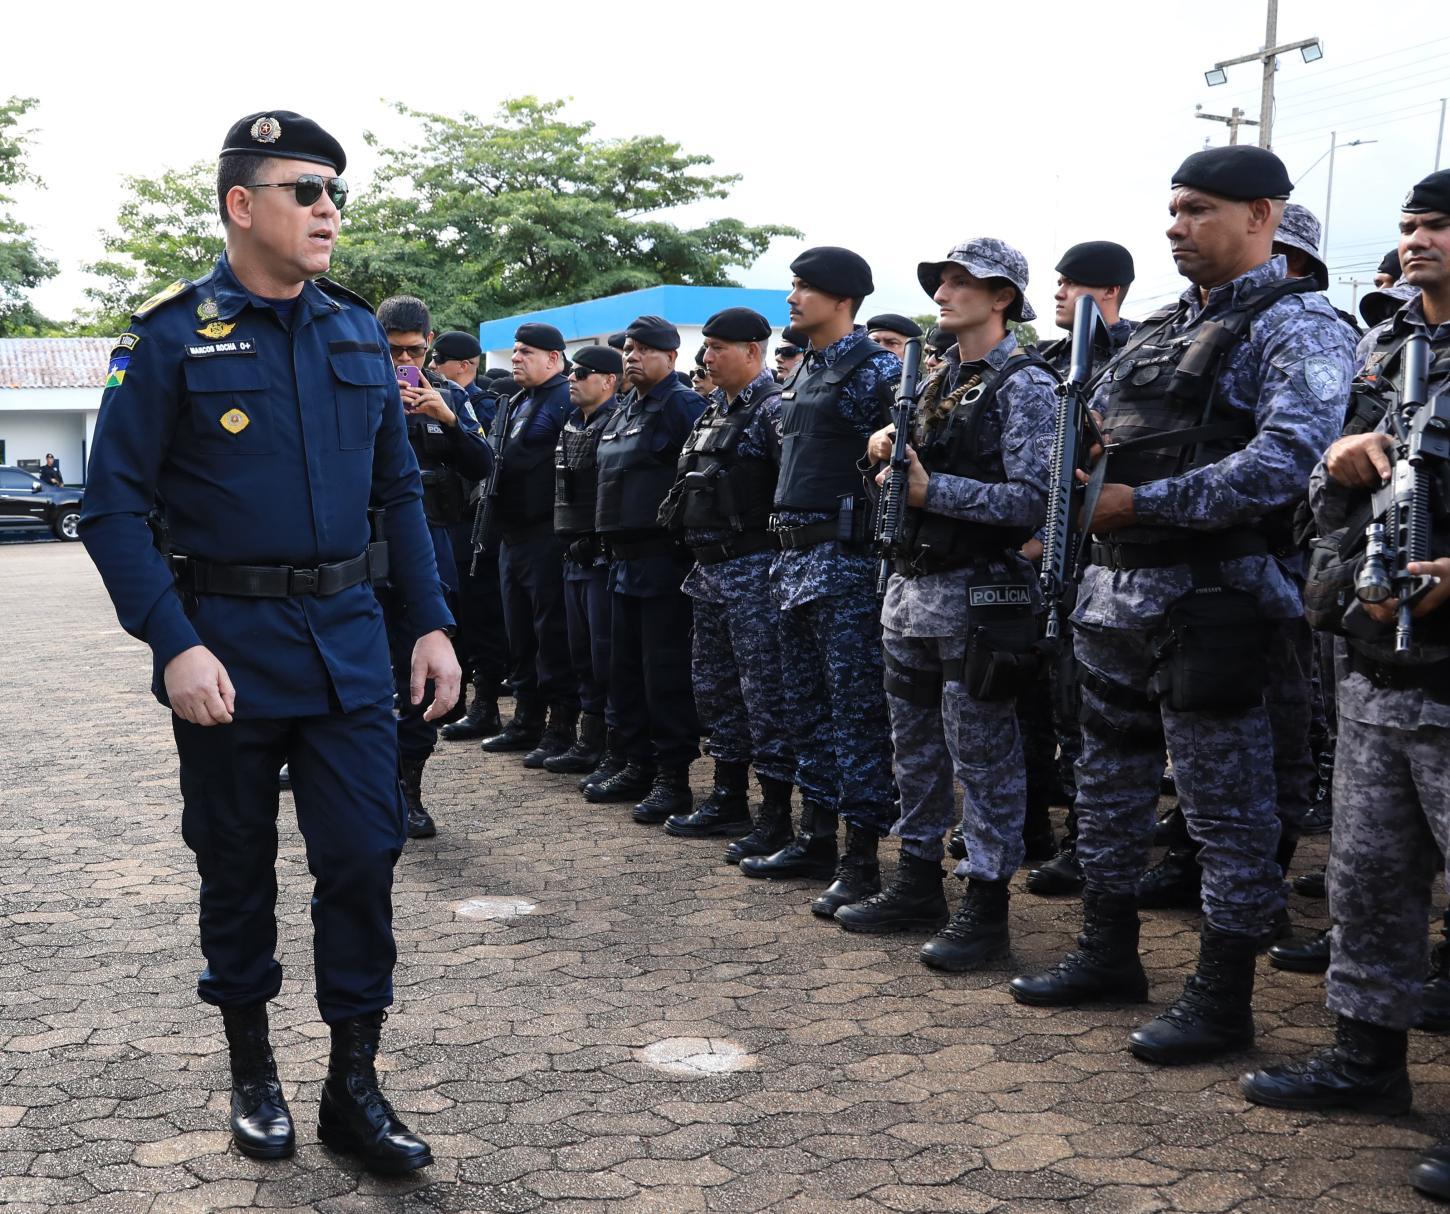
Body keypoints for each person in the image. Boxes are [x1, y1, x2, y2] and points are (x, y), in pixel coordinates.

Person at [80, 110, 450, 1174]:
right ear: (243, 205)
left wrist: (428, 621)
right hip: (226, 654)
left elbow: (399, 491)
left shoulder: (350, 332)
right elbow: (112, 510)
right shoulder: (167, 336)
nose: (328, 208)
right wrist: (171, 643)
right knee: (236, 863)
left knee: (363, 859)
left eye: (335, 190)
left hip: (345, 648)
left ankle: (354, 1085)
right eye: (306, 189)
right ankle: (253, 1070)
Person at [1009, 145, 1354, 1065]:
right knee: (1109, 791)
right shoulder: (1158, 329)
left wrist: (1143, 503)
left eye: (1199, 209)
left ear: (1263, 216)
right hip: (1114, 598)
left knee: (1226, 812)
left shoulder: (1299, 324)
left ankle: (1221, 998)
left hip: (1217, 603)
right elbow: (1104, 438)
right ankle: (1107, 952)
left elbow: (1292, 459)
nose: (1175, 227)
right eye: (1172, 210)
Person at [1240, 171, 1450, 1207]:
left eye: (1439, 225)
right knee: (1366, 878)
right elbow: (1320, 483)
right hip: (1373, 657)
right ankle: (1365, 1060)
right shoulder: (1383, 346)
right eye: (1410, 224)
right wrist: (1340, 455)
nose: (1418, 240)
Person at [840, 239, 1057, 973]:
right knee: (916, 752)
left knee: (985, 757)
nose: (946, 290)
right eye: (943, 279)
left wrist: (938, 492)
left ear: (1003, 299)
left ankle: (986, 906)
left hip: (976, 593)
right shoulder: (934, 380)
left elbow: (1035, 500)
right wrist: (884, 453)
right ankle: (916, 882)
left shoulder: (1023, 384)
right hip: (909, 589)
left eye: (965, 282)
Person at [740, 247, 901, 918]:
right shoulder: (809, 368)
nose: (792, 297)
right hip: (793, 560)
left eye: (804, 287)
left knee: (854, 716)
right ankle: (816, 839)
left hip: (845, 563)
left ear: (842, 299)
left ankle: (862, 861)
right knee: (806, 711)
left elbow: (897, 460)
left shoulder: (878, 370)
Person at [657, 307, 795, 852]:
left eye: (717, 347)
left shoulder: (773, 409)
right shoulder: (715, 409)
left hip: (755, 570)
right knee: (716, 693)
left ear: (753, 351)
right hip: (710, 572)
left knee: (763, 696)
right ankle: (728, 796)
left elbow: (793, 492)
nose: (706, 356)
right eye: (706, 346)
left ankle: (777, 812)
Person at [376, 297, 493, 839]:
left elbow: (484, 464)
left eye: (414, 349)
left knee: (420, 677)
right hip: (369, 556)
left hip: (434, 549)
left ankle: (409, 789)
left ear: (430, 342)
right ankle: (368, 784)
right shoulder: (354, 392)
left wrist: (445, 419)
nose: (404, 359)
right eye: (393, 349)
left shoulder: (447, 398)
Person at [584, 315, 707, 820]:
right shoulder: (625, 408)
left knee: (664, 676)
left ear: (672, 356)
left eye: (642, 349)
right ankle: (635, 763)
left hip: (663, 561)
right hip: (622, 562)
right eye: (628, 348)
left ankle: (672, 778)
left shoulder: (684, 406)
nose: (631, 356)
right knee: (625, 671)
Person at [482, 323, 578, 766]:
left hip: (546, 535)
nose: (516, 358)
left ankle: (560, 728)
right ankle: (526, 718)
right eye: (515, 351)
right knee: (518, 631)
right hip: (512, 535)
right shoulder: (518, 400)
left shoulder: (564, 398)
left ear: (554, 358)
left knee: (549, 633)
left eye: (526, 352)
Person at [546, 344, 621, 778]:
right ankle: (587, 741)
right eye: (572, 371)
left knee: (605, 655)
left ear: (608, 380)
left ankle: (611, 746)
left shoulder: (616, 422)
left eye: (583, 372)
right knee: (581, 655)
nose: (572, 378)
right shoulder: (573, 422)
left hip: (601, 558)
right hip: (572, 554)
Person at [435, 330, 511, 744]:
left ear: (465, 365)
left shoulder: (483, 405)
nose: (431, 367)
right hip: (448, 521)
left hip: (476, 523)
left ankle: (485, 705)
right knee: (456, 616)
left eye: (439, 359)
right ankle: (457, 699)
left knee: (482, 617)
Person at [1035, 241, 1136, 376]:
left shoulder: (1138, 353)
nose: (1058, 294)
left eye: (1071, 283)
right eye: (1060, 284)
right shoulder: (1041, 356)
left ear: (1110, 291)